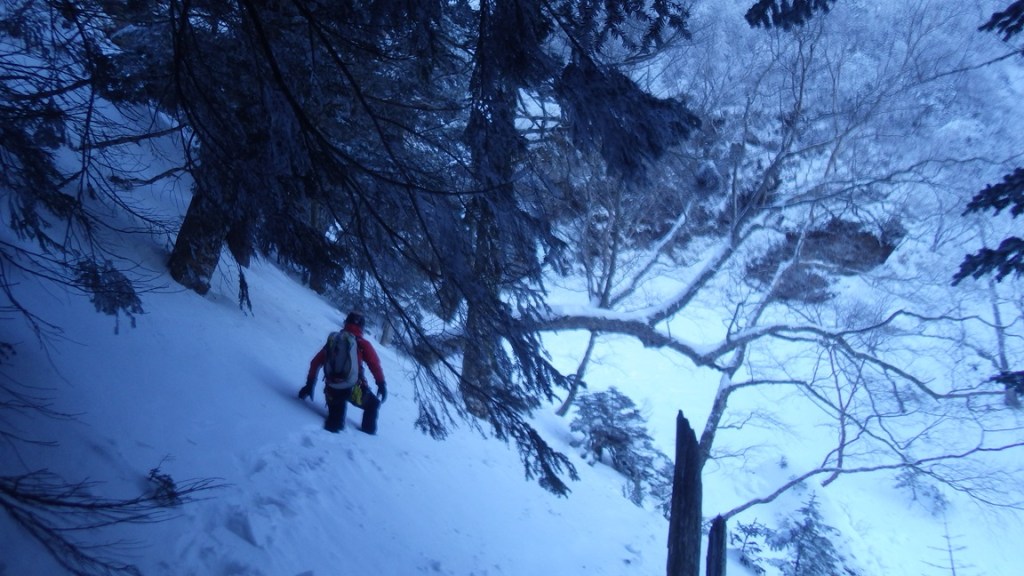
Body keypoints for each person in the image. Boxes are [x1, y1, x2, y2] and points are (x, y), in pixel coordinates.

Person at [298, 311, 387, 434]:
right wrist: (381, 384)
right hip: (354, 390)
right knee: (373, 404)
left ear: (346, 322)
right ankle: (367, 435)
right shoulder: (362, 344)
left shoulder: (334, 342)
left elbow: (315, 362)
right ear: (362, 327)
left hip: (332, 389)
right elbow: (374, 364)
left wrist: (309, 385)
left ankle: (329, 431)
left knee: (335, 422)